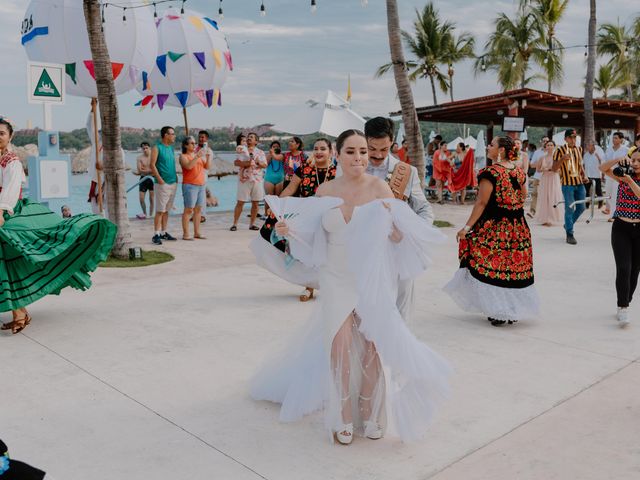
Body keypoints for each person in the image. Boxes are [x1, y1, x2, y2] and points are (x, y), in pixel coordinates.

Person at [251, 129, 450, 444]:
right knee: (339, 345)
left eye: (362, 152)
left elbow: (399, 238)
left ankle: (371, 412)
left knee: (370, 345)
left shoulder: (380, 187)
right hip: (335, 277)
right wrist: (290, 231)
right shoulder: (325, 190)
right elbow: (317, 237)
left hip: (370, 278)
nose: (358, 158)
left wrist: (390, 221)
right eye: (351, 152)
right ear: (337, 154)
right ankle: (342, 414)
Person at [0, 116, 116, 335]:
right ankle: (20, 312)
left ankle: (19, 313)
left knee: (11, 263)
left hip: (8, 213)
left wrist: (2, 210)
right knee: (7, 265)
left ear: (10, 136)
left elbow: (11, 188)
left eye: (1, 133)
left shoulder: (12, 161)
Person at [444, 136, 540, 327]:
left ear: (501, 150)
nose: (488, 147)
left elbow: (481, 203)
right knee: (511, 268)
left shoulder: (490, 173)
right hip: (518, 226)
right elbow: (523, 196)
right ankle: (511, 310)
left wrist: (467, 227)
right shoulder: (519, 171)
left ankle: (498, 309)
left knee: (491, 264)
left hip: (496, 226)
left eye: (492, 145)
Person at [364, 117, 434, 321]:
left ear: (392, 142)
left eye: (384, 149)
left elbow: (424, 209)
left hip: (396, 246)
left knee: (400, 307)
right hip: (364, 247)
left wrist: (411, 235)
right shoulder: (351, 169)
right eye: (372, 149)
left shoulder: (406, 171)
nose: (377, 155)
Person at [259, 138, 338, 302]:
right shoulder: (305, 169)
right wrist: (278, 206)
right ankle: (309, 286)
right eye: (316, 148)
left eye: (323, 149)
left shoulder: (338, 171)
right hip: (308, 218)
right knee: (309, 251)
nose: (318, 152)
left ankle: (330, 287)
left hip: (332, 217)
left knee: (330, 253)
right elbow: (291, 188)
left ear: (331, 151)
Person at [600, 146, 640, 327]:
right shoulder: (623, 175)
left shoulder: (628, 179)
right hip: (621, 228)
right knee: (623, 268)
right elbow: (603, 169)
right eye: (634, 160)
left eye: (639, 161)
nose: (636, 163)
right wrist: (619, 159)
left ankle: (627, 299)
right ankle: (622, 306)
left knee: (634, 270)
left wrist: (629, 180)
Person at [553, 129, 588, 245]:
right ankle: (570, 234)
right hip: (567, 184)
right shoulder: (559, 150)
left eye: (575, 137)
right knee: (569, 208)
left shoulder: (579, 149)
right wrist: (562, 159)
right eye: (571, 137)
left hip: (579, 182)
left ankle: (568, 224)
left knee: (582, 207)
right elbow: (553, 169)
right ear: (565, 139)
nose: (573, 140)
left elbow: (580, 164)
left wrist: (585, 174)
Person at [231, 132, 267, 231]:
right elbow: (236, 162)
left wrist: (257, 162)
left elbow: (265, 164)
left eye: (251, 137)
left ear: (256, 141)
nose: (249, 138)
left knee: (255, 203)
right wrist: (246, 163)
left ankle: (252, 224)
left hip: (257, 180)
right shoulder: (242, 150)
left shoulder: (260, 152)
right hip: (244, 180)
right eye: (248, 137)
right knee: (240, 202)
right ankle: (234, 224)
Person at [150, 126, 178, 245]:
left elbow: (171, 164)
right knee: (160, 210)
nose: (174, 136)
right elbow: (152, 165)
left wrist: (176, 177)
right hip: (162, 184)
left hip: (173, 183)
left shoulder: (171, 148)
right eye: (172, 134)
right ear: (166, 135)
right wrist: (159, 179)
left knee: (167, 210)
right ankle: (156, 234)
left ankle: (164, 232)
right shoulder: (157, 148)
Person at [180, 136, 210, 240]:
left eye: (195, 143)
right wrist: (197, 156)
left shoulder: (198, 156)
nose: (194, 145)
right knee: (188, 210)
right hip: (190, 185)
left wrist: (208, 155)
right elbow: (188, 166)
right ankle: (186, 234)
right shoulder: (183, 156)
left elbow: (207, 167)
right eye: (192, 143)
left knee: (198, 210)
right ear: (186, 145)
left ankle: (197, 233)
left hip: (201, 185)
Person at [534, 140, 563, 226]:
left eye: (551, 145)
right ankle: (545, 218)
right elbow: (538, 170)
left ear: (554, 146)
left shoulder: (557, 157)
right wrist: (545, 169)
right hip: (545, 178)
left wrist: (554, 169)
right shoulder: (542, 158)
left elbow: (560, 169)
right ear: (545, 147)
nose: (549, 146)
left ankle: (552, 218)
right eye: (548, 145)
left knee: (553, 196)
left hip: (554, 178)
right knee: (545, 197)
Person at [604, 132, 629, 218]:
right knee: (609, 194)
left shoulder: (626, 150)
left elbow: (627, 163)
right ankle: (613, 211)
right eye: (613, 138)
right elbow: (604, 161)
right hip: (608, 174)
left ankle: (613, 215)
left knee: (615, 194)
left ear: (621, 139)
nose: (613, 140)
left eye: (616, 138)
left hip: (619, 176)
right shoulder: (609, 149)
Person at [528, 136, 549, 218]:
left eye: (547, 141)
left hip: (548, 177)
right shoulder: (537, 152)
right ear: (541, 142)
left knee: (547, 195)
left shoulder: (552, 152)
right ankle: (532, 211)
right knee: (534, 194)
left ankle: (546, 212)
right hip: (537, 176)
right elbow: (532, 164)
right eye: (544, 141)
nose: (545, 142)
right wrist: (540, 163)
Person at [264, 140, 285, 213]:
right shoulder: (268, 155)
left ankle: (276, 215)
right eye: (274, 147)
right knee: (269, 199)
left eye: (277, 147)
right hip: (269, 179)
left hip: (280, 180)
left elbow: (278, 158)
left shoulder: (282, 156)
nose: (275, 148)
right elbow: (265, 163)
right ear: (271, 148)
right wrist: (271, 153)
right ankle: (266, 215)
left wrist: (274, 153)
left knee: (278, 198)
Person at [583, 141, 604, 209]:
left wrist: (598, 157)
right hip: (587, 175)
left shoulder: (598, 153)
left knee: (598, 190)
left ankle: (600, 202)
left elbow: (603, 163)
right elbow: (583, 165)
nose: (587, 147)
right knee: (586, 191)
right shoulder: (585, 155)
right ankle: (586, 204)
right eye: (587, 145)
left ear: (593, 146)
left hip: (597, 175)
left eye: (589, 145)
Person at [136, 141, 154, 220]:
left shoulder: (153, 156)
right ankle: (145, 213)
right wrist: (150, 170)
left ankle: (150, 214)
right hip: (143, 179)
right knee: (141, 198)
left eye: (146, 148)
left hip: (152, 179)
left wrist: (146, 170)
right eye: (143, 148)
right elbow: (140, 170)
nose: (145, 150)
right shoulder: (139, 158)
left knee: (152, 198)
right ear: (142, 149)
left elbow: (155, 169)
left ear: (149, 148)